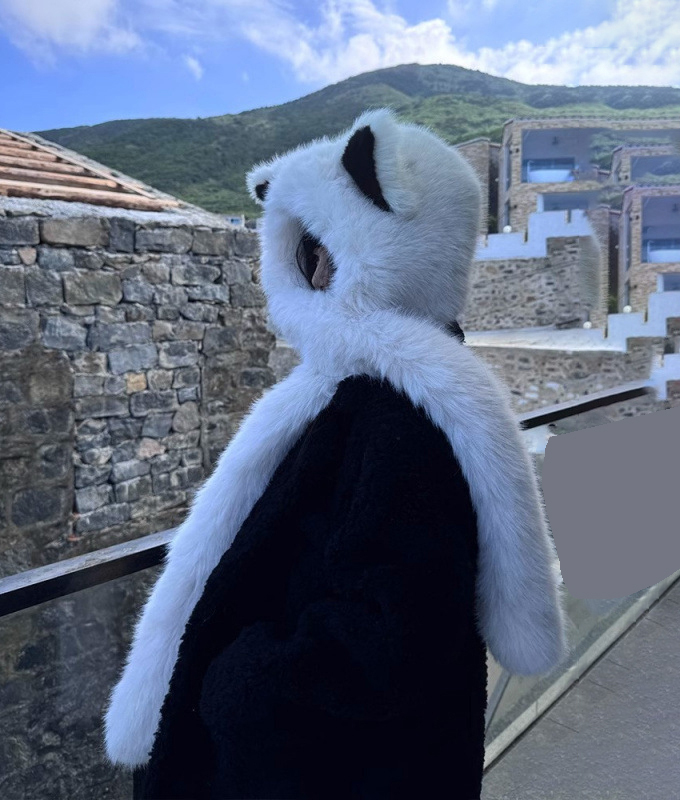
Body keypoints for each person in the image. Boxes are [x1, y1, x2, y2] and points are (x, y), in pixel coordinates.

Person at [105, 109, 567, 799]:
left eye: (325, 250)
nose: (315, 270)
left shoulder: (398, 421)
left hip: (316, 771)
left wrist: (243, 680)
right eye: (305, 253)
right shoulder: (373, 398)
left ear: (389, 248)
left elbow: (396, 635)